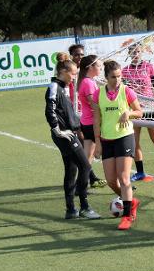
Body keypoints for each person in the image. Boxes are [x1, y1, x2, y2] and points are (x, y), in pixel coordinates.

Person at [45, 59, 100, 220]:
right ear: (63, 71)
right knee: (85, 166)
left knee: (71, 170)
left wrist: (77, 127)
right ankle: (84, 206)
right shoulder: (54, 87)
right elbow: (50, 110)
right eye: (73, 73)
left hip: (69, 132)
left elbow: (66, 112)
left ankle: (70, 209)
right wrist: (58, 130)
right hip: (65, 135)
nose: (75, 77)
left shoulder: (63, 87)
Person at [93, 60, 143, 230]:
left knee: (124, 177)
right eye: (113, 77)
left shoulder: (127, 91)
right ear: (106, 77)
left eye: (119, 76)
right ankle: (131, 201)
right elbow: (97, 119)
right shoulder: (97, 94)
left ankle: (127, 216)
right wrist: (97, 143)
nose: (117, 80)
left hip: (124, 137)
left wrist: (128, 113)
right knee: (110, 180)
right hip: (107, 140)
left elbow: (140, 112)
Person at [122, 44, 154, 181]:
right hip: (135, 110)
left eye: (138, 51)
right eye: (133, 52)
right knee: (135, 141)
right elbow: (124, 92)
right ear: (129, 54)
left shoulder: (148, 67)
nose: (136, 54)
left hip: (151, 108)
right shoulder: (125, 71)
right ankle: (140, 172)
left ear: (142, 52)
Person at [76, 55, 108, 189]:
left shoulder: (87, 81)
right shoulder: (88, 83)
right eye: (99, 66)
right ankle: (120, 183)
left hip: (87, 122)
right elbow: (94, 104)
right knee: (110, 154)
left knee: (87, 157)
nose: (101, 68)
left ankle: (80, 186)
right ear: (90, 67)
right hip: (92, 123)